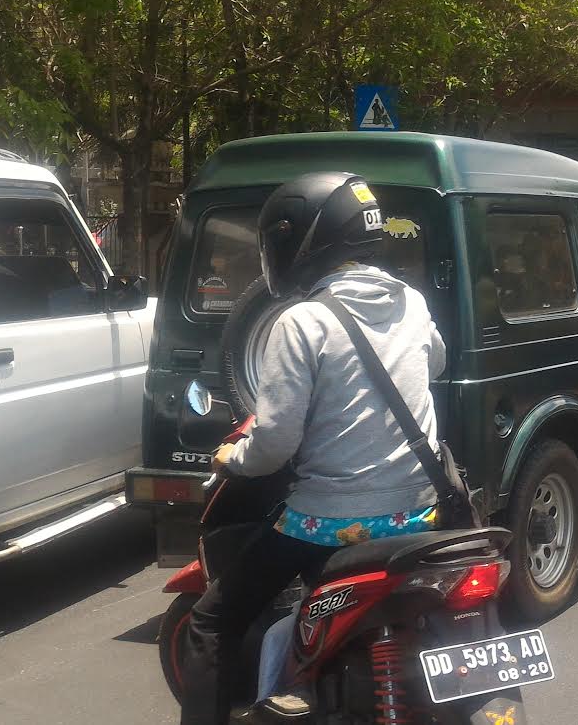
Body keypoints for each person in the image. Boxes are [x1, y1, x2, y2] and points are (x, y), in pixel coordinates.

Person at [180, 172, 446, 725]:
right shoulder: (414, 304)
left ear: (303, 239)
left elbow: (274, 445)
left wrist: (233, 457)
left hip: (331, 523)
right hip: (422, 515)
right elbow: (435, 362)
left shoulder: (303, 321)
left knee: (211, 621)